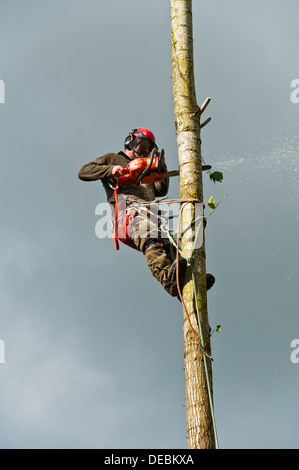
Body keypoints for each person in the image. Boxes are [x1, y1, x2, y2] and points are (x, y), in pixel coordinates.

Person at [78, 127, 215, 299]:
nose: (144, 152)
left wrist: (161, 169)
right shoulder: (112, 158)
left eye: (148, 149)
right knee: (149, 235)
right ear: (130, 142)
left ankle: (191, 281)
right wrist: (111, 170)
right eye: (142, 146)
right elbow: (83, 172)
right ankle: (166, 279)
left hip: (151, 214)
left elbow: (160, 190)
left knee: (172, 249)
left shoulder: (146, 167)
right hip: (127, 213)